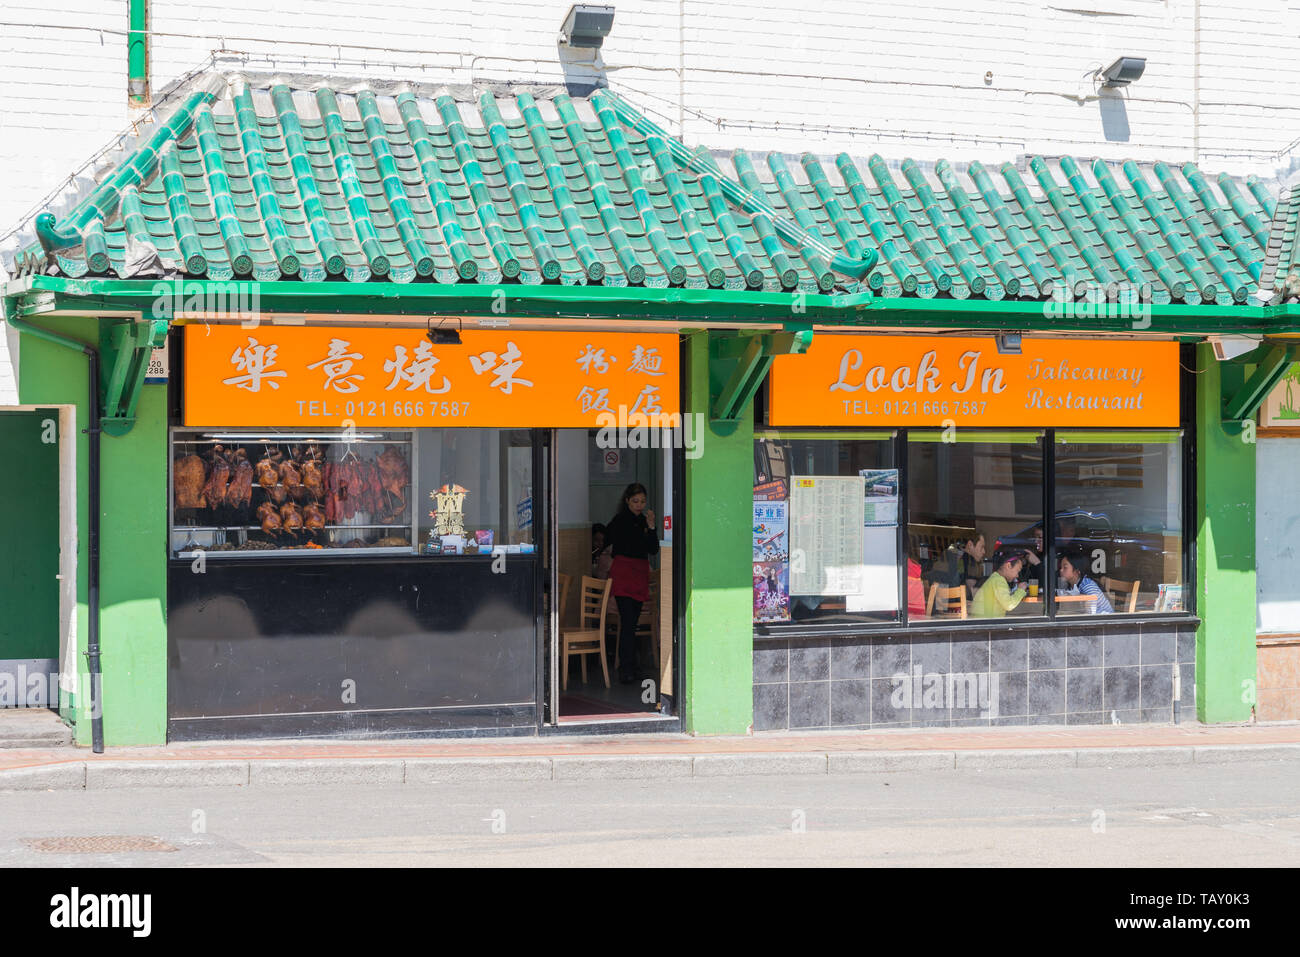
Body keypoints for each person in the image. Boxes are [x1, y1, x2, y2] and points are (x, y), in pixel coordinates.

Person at [606, 482, 659, 684]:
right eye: (635, 501)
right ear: (627, 500)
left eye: (642, 501)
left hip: (639, 573)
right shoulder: (620, 521)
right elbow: (626, 544)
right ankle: (626, 668)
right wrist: (644, 531)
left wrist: (652, 527)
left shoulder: (645, 522)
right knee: (628, 622)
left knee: (633, 622)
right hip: (624, 572)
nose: (639, 505)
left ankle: (632, 666)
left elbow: (652, 549)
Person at [970, 550, 1028, 618]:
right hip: (987, 624)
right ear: (1008, 565)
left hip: (983, 622)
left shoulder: (995, 578)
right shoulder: (998, 581)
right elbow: (1009, 605)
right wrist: (1020, 590)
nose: (1017, 575)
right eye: (1017, 571)